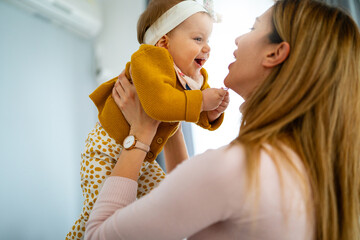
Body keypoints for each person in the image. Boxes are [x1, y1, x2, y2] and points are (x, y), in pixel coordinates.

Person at [84, 0, 360, 239]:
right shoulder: (310, 168)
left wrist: (141, 134)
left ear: (275, 53)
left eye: (253, 28)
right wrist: (170, 118)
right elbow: (186, 201)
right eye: (198, 39)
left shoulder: (237, 168)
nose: (238, 39)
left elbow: (97, 237)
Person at [66, 0, 230, 239]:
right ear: (164, 42)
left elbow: (193, 112)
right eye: (198, 39)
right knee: (98, 214)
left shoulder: (192, 74)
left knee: (163, 202)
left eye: (207, 41)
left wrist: (212, 113)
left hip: (141, 157)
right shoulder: (149, 58)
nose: (207, 48)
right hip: (105, 148)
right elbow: (159, 105)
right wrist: (202, 101)